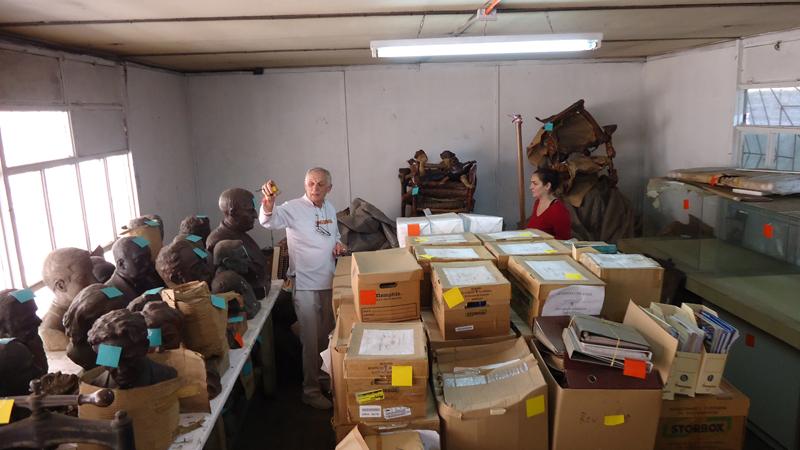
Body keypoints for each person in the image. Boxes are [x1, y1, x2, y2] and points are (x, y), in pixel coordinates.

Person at [258, 167, 347, 410]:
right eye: (310, 184)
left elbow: (334, 234)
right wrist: (269, 203)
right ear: (305, 185)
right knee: (310, 339)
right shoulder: (292, 208)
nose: (315, 188)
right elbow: (269, 220)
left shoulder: (329, 208)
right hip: (306, 284)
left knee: (328, 335)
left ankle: (323, 379)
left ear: (329, 188)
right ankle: (310, 390)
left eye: (320, 184)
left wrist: (337, 245)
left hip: (329, 280)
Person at [526, 168, 572, 240]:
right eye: (531, 183)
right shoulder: (537, 202)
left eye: (535, 183)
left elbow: (564, 241)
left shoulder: (558, 210)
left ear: (547, 186)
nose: (530, 187)